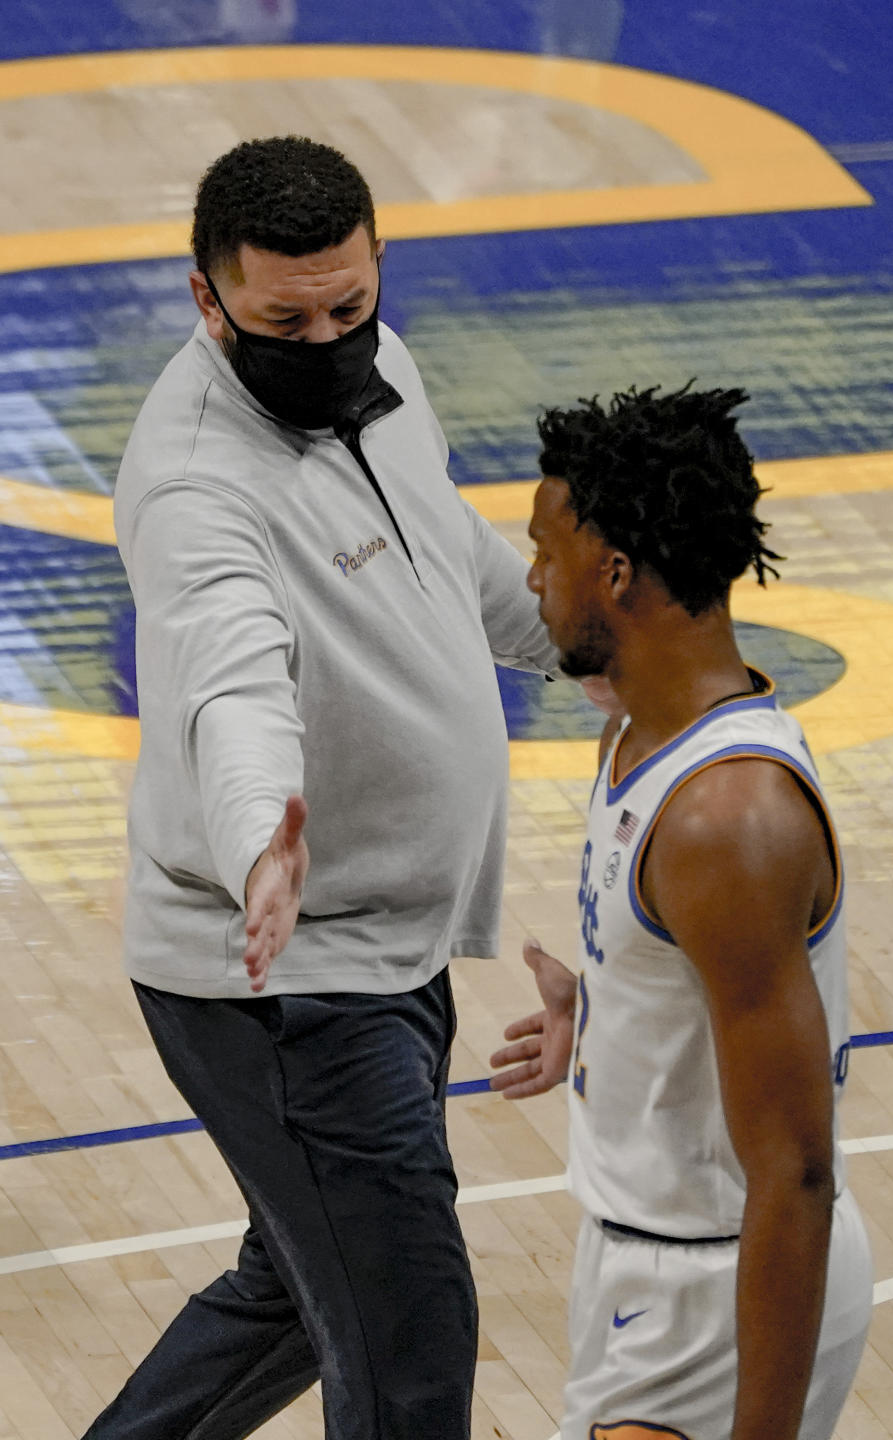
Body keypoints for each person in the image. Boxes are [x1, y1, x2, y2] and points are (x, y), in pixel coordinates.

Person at [84, 136, 558, 1440]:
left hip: (389, 936)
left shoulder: (386, 372)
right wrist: (260, 846)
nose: (328, 338)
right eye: (283, 320)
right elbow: (228, 686)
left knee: (308, 1287)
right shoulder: (194, 485)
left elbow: (444, 553)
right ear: (206, 300)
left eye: (349, 306)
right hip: (283, 972)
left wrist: (591, 641)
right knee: (409, 1336)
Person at [489, 384, 873, 1440]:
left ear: (614, 572)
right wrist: (606, 1011)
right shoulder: (640, 730)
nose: (531, 577)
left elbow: (796, 1170)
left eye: (544, 548)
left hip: (713, 1293)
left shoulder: (726, 821)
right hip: (644, 1266)